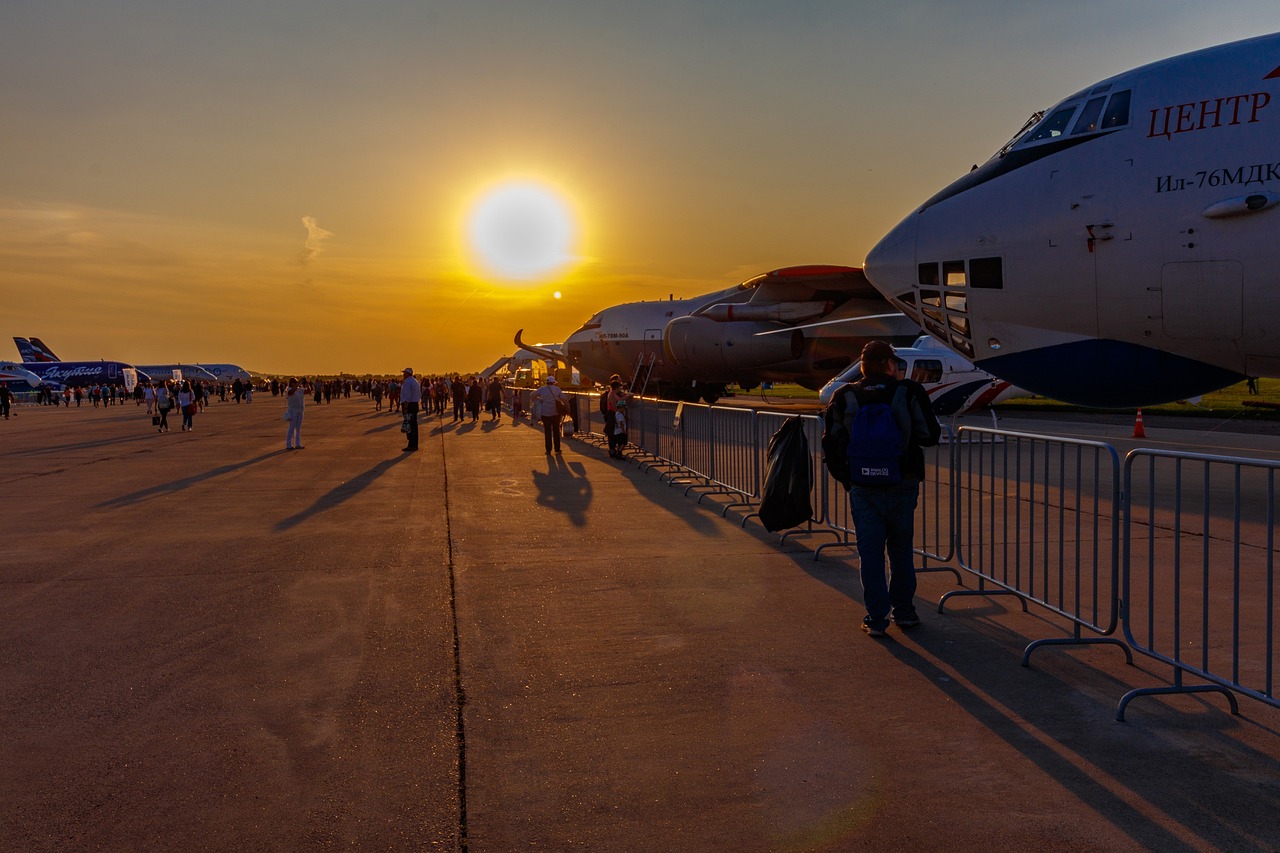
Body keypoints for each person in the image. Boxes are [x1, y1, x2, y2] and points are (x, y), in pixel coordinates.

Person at [835, 340, 941, 637]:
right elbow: (930, 435)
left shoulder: (846, 396)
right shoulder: (908, 392)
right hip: (902, 482)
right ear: (890, 365)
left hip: (863, 484)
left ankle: (876, 619)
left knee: (869, 553)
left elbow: (832, 442)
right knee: (900, 550)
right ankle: (904, 613)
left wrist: (849, 477)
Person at [532, 375, 566, 454]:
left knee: (547, 432)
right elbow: (563, 398)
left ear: (547, 382)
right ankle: (557, 449)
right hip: (555, 413)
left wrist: (537, 401)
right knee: (556, 431)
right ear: (554, 382)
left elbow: (532, 395)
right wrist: (567, 407)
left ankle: (548, 450)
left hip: (545, 413)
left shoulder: (542, 389)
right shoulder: (557, 389)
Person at [400, 367, 422, 452]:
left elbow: (407, 396)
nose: (403, 374)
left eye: (404, 373)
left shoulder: (408, 382)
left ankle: (412, 445)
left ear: (408, 374)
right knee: (413, 426)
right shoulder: (415, 381)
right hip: (414, 404)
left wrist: (405, 407)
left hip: (409, 405)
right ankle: (413, 444)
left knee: (410, 426)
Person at [284, 377, 305, 449]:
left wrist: (307, 384)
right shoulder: (289, 390)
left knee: (298, 428)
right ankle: (288, 444)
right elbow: (292, 392)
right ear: (292, 383)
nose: (297, 384)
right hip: (293, 411)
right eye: (295, 382)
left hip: (300, 410)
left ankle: (298, 443)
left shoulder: (299, 390)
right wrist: (299, 383)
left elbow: (308, 391)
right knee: (291, 427)